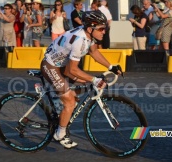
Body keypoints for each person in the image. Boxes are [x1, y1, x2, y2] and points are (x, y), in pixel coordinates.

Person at [41, 10, 122, 148]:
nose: (104, 32)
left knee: (82, 89)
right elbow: (72, 70)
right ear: (90, 29)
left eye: (105, 28)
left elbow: (94, 52)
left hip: (63, 65)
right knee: (71, 101)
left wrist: (111, 67)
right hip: (51, 66)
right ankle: (60, 133)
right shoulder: (79, 41)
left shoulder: (88, 35)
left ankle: (62, 108)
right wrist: (94, 80)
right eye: (101, 29)